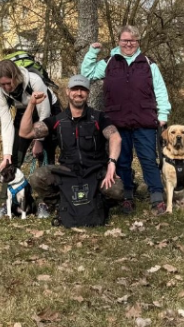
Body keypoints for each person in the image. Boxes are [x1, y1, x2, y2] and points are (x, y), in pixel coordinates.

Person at [80, 25, 171, 215]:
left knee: (148, 159)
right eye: (125, 40)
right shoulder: (109, 62)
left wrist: (163, 114)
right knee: (122, 161)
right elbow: (87, 74)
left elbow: (160, 90)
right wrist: (92, 52)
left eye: (132, 40)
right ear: (119, 41)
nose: (128, 44)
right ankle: (127, 197)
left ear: (138, 42)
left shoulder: (148, 63)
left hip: (145, 120)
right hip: (118, 121)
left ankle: (157, 197)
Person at [19, 75, 123, 221]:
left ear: (88, 93)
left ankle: (94, 200)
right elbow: (25, 132)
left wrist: (111, 164)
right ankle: (62, 202)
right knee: (37, 177)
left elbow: (115, 137)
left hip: (95, 171)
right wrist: (31, 105)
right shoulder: (57, 120)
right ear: (68, 92)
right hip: (67, 172)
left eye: (83, 90)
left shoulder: (99, 117)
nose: (78, 93)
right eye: (75, 89)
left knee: (118, 190)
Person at [0, 59, 60, 217]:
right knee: (14, 158)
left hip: (47, 111)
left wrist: (39, 142)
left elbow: (44, 114)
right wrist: (6, 154)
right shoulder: (1, 94)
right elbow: (7, 124)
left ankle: (45, 202)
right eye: (3, 85)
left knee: (46, 156)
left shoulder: (34, 81)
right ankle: (7, 202)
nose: (7, 87)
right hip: (25, 112)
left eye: (9, 83)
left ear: (16, 76)